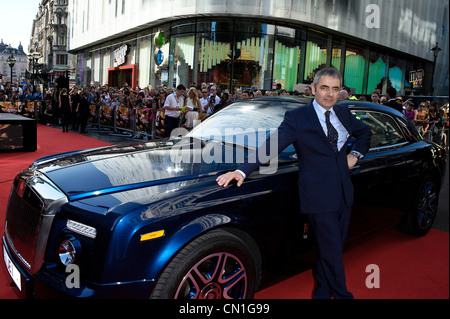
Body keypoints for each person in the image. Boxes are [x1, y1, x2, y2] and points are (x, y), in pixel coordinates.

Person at [216, 67, 372, 299]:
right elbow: (271, 145)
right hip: (318, 196)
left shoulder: (344, 114)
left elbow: (366, 132)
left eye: (335, 89)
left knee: (332, 250)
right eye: (324, 88)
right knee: (332, 254)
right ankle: (342, 295)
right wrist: (242, 170)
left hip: (344, 193)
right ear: (313, 89)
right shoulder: (298, 118)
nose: (330, 94)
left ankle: (321, 293)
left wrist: (355, 155)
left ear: (341, 91)